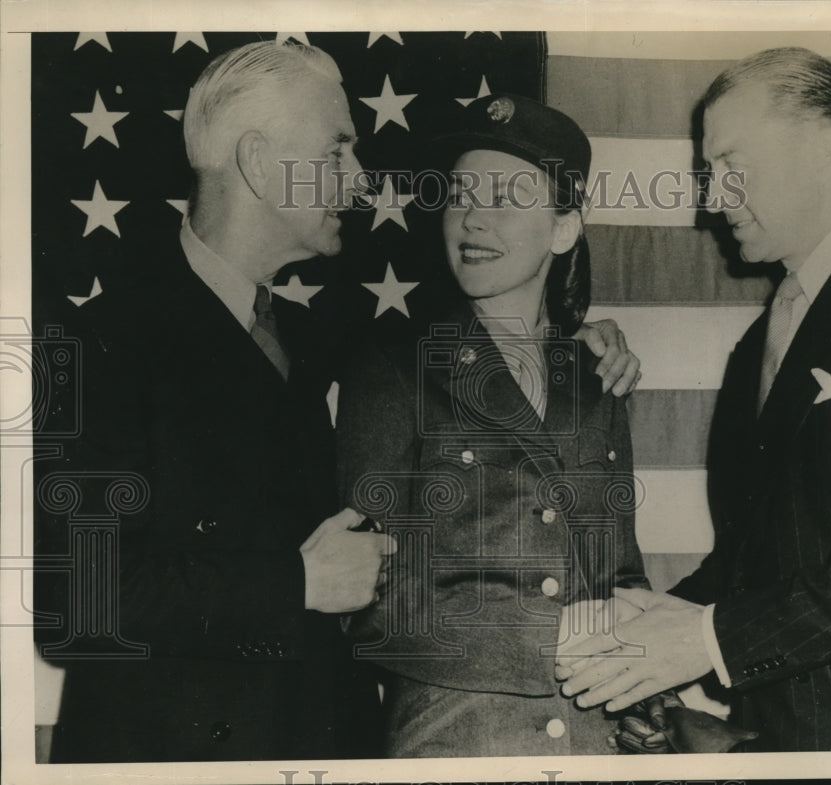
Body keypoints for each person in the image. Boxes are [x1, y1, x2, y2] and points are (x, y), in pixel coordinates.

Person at [33, 41, 642, 763]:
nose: (357, 182)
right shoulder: (102, 342)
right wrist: (298, 581)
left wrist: (584, 338)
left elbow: (497, 349)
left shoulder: (310, 336)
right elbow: (74, 601)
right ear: (260, 163)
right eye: (338, 150)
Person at [556, 47, 831, 751]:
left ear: (820, 146)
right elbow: (759, 550)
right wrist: (656, 619)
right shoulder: (759, 343)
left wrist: (704, 638)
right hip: (778, 735)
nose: (711, 198)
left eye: (728, 165)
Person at [335, 94, 650, 757]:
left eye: (505, 198)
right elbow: (367, 599)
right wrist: (549, 637)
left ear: (563, 229)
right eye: (459, 195)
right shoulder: (393, 370)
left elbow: (619, 574)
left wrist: (651, 694)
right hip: (456, 742)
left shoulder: (596, 377)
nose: (472, 219)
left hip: (598, 743)